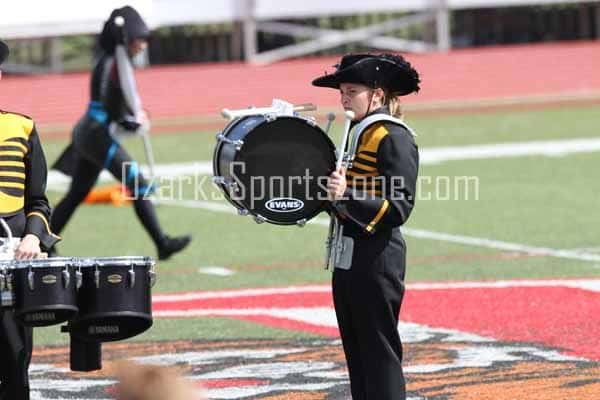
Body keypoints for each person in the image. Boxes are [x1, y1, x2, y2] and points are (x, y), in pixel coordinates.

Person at [312, 53, 420, 400]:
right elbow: (338, 197)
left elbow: (399, 205)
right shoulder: (353, 133)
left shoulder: (392, 135)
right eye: (342, 91)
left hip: (378, 257)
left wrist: (346, 195)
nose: (344, 99)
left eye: (352, 91)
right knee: (357, 354)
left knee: (378, 352)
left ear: (378, 95)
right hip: (349, 255)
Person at [50, 5, 191, 260]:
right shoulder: (113, 62)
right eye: (140, 40)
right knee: (138, 183)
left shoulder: (113, 60)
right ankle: (162, 243)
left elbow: (114, 100)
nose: (144, 46)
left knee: (77, 193)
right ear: (126, 39)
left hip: (90, 133)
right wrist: (127, 120)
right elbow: (106, 99)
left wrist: (129, 118)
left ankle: (44, 241)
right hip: (95, 134)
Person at [0, 38, 60, 400]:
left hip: (15, 261)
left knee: (14, 360)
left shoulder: (22, 128)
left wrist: (34, 238)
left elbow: (39, 202)